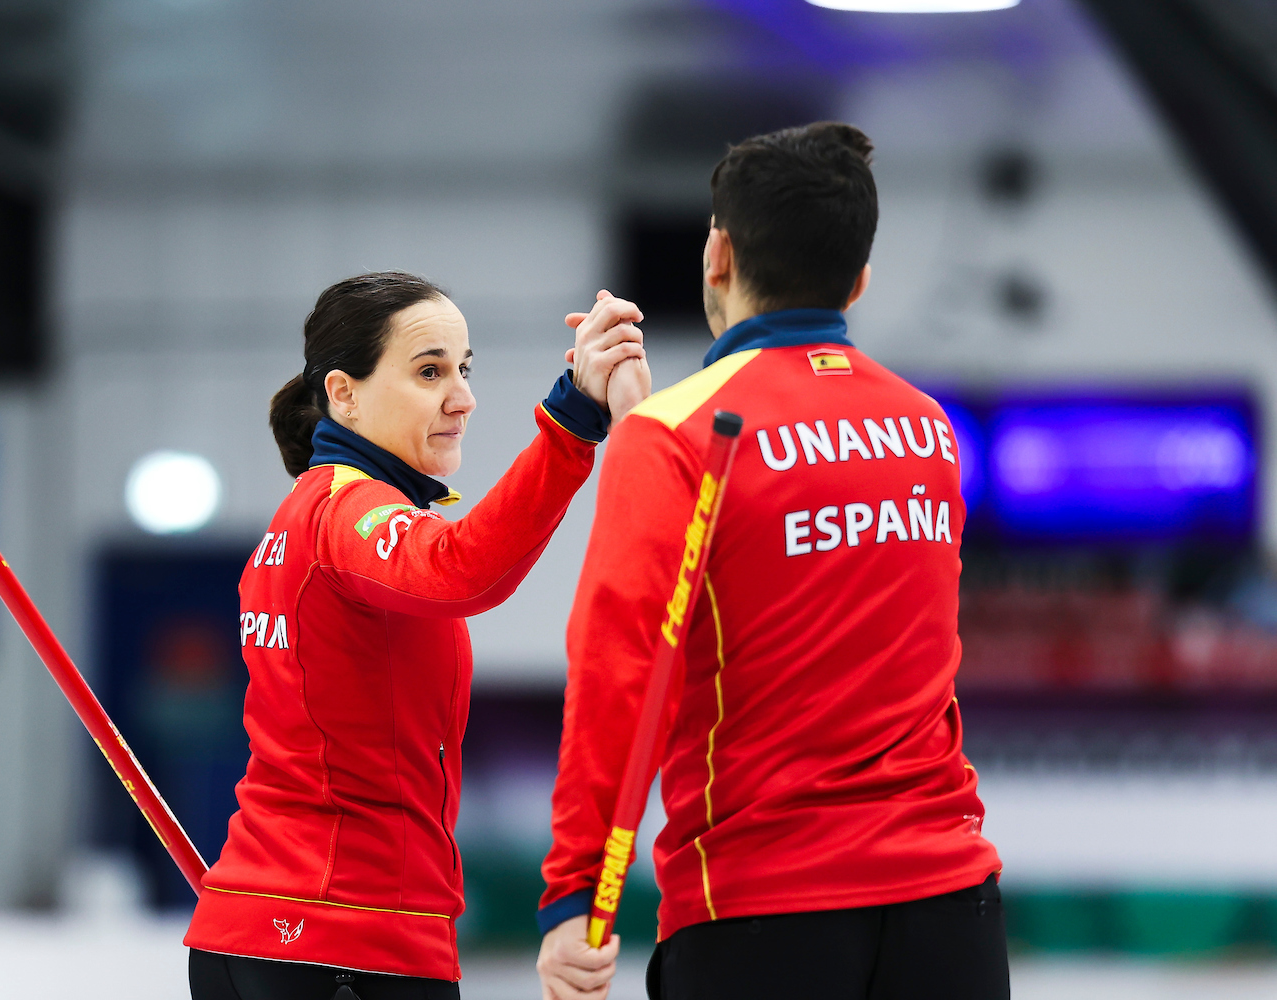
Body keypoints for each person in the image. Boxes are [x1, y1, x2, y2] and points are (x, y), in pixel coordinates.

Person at [535, 124, 1009, 1000]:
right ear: (860, 279)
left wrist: (573, 892)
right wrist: (651, 425)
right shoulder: (928, 429)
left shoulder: (678, 437)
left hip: (760, 908)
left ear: (716, 252)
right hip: (950, 907)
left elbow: (618, 670)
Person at [184, 271, 652, 1000]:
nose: (462, 398)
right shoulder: (346, 512)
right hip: (346, 938)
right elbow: (463, 571)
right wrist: (570, 423)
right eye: (430, 371)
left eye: (463, 370)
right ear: (344, 392)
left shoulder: (301, 518)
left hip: (282, 930)